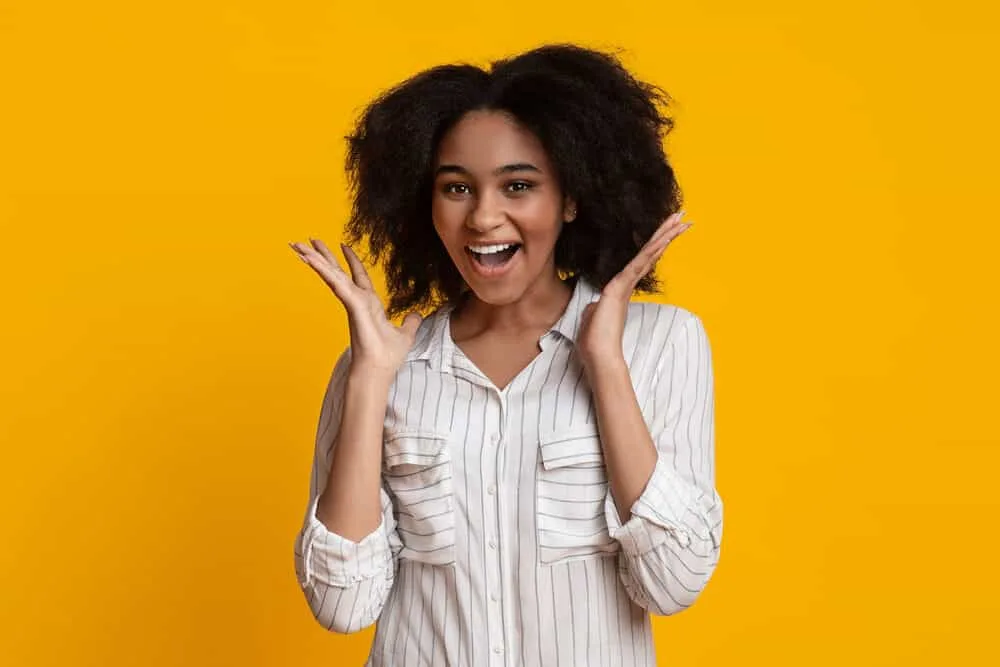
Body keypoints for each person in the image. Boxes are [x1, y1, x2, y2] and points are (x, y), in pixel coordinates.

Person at [289, 43, 723, 667]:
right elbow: (341, 606)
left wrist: (605, 365)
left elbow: (675, 582)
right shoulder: (380, 365)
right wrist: (370, 382)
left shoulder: (661, 344)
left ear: (570, 199)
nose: (484, 217)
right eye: (457, 188)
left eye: (518, 185)